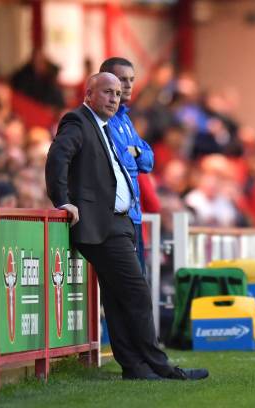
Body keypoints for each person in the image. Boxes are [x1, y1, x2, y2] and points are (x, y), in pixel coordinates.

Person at [45, 72, 207, 380]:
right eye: (107, 92)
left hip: (119, 222)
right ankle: (160, 366)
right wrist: (62, 201)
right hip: (101, 226)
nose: (113, 98)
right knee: (137, 293)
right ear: (88, 93)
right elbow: (57, 158)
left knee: (119, 299)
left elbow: (143, 160)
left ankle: (134, 367)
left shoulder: (107, 127)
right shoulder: (77, 121)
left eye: (118, 94)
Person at [99, 57, 154, 275]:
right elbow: (122, 157)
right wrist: (135, 152)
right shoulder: (104, 120)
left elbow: (148, 160)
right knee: (132, 292)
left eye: (131, 79)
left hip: (134, 216)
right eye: (123, 79)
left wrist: (136, 152)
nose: (129, 85)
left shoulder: (125, 120)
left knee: (140, 286)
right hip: (117, 219)